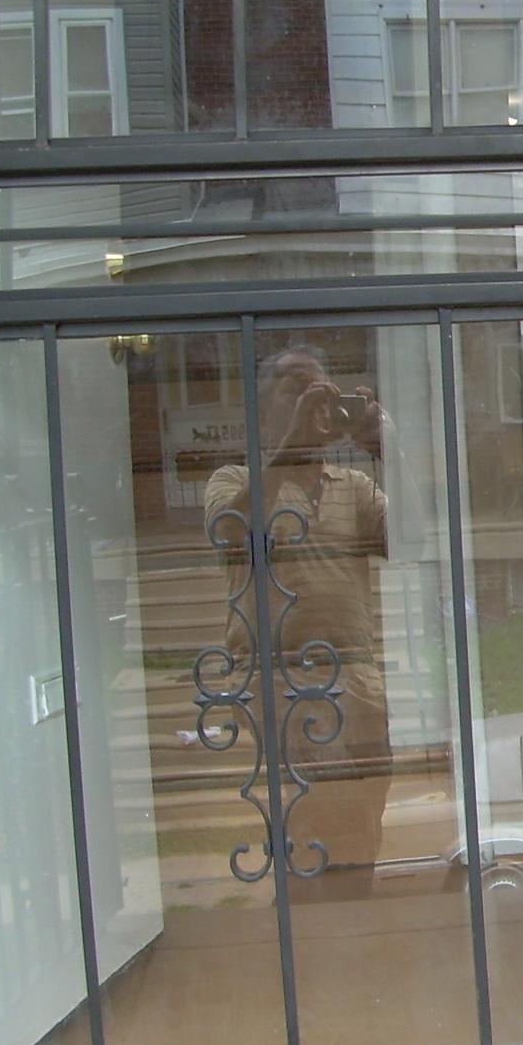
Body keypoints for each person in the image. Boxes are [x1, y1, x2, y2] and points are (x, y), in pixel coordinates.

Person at [202, 344, 393, 898]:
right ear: (265, 409)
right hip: (284, 679)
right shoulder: (234, 478)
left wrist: (385, 445)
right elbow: (230, 533)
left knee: (365, 815)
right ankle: (313, 927)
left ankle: (351, 918)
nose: (313, 401)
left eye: (321, 390)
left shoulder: (352, 486)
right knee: (316, 817)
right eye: (296, 390)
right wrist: (289, 448)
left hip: (357, 678)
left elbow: (414, 535)